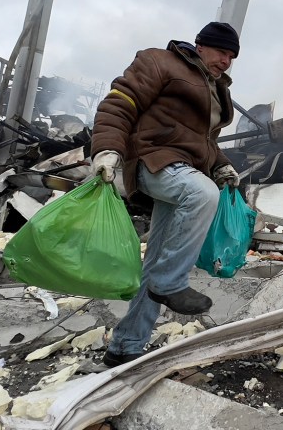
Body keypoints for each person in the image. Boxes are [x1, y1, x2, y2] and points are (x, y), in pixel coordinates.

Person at [90, 21, 241, 367]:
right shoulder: (159, 62)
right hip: (152, 159)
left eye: (232, 56)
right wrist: (107, 149)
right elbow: (120, 102)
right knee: (203, 195)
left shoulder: (215, 87)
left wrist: (221, 165)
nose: (226, 61)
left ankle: (126, 345)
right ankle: (171, 282)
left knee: (156, 261)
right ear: (201, 46)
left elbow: (204, 141)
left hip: (183, 168)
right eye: (221, 52)